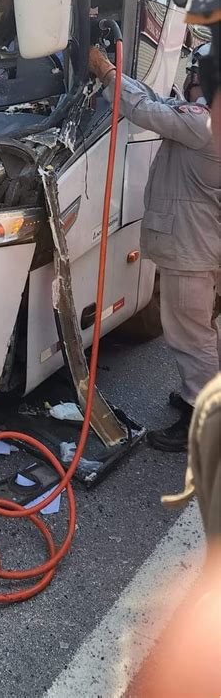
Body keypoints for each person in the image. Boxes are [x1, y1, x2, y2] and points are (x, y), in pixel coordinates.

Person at [88, 42, 221, 451]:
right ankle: (192, 396)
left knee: (191, 336)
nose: (189, 77)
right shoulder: (202, 120)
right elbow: (155, 100)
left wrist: (107, 72)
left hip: (191, 250)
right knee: (198, 331)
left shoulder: (203, 123)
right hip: (202, 245)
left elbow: (146, 110)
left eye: (194, 72)